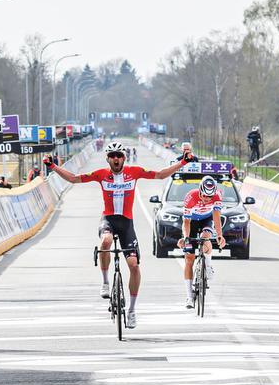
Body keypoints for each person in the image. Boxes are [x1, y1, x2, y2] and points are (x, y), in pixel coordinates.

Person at [46, 140, 189, 329]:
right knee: (105, 242)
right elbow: (73, 179)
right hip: (108, 220)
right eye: (112, 156)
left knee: (134, 266)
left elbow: (161, 175)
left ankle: (131, 311)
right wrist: (52, 166)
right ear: (107, 159)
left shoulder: (134, 172)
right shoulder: (101, 174)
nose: (116, 159)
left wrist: (183, 163)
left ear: (124, 158)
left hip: (126, 224)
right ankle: (105, 283)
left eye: (119, 155)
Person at [177, 174, 225, 308]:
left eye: (209, 197)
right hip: (191, 222)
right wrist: (186, 238)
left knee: (206, 238)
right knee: (189, 258)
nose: (206, 199)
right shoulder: (191, 197)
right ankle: (189, 296)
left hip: (206, 219)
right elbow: (186, 221)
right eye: (204, 195)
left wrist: (219, 235)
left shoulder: (217, 196)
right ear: (200, 190)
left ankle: (208, 266)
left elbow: (216, 217)